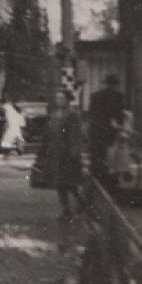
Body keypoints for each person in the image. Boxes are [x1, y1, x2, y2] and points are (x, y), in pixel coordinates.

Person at [44, 88, 86, 220]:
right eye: (57, 98)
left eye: (62, 98)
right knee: (61, 182)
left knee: (68, 182)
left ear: (67, 100)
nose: (59, 101)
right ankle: (68, 208)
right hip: (56, 152)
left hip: (68, 153)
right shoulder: (55, 113)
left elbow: (75, 133)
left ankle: (76, 204)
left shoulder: (73, 114)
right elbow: (50, 131)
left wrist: (74, 151)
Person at [88, 74, 126, 182]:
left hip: (94, 127)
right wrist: (121, 125)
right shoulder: (118, 96)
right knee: (108, 151)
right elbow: (119, 115)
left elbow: (91, 112)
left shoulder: (94, 95)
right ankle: (105, 174)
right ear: (115, 85)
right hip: (107, 128)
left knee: (95, 152)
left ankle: (94, 174)